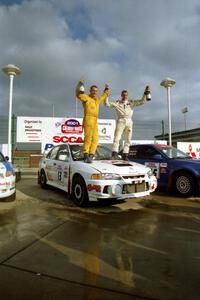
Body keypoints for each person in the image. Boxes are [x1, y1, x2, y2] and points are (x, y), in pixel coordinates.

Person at [105, 86, 150, 160]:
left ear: (127, 95)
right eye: (123, 95)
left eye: (126, 95)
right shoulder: (117, 102)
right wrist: (106, 95)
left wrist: (145, 93)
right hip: (121, 120)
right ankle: (114, 153)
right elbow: (107, 104)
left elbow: (142, 101)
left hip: (129, 121)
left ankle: (125, 154)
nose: (125, 96)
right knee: (117, 137)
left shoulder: (131, 102)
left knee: (128, 139)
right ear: (121, 95)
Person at [76, 80, 109, 163]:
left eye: (96, 91)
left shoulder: (97, 100)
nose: (95, 92)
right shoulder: (86, 97)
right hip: (88, 118)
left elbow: (104, 96)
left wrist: (106, 89)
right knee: (88, 138)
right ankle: (85, 154)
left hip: (95, 120)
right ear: (90, 91)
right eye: (93, 90)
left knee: (95, 139)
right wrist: (80, 84)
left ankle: (91, 155)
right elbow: (78, 94)